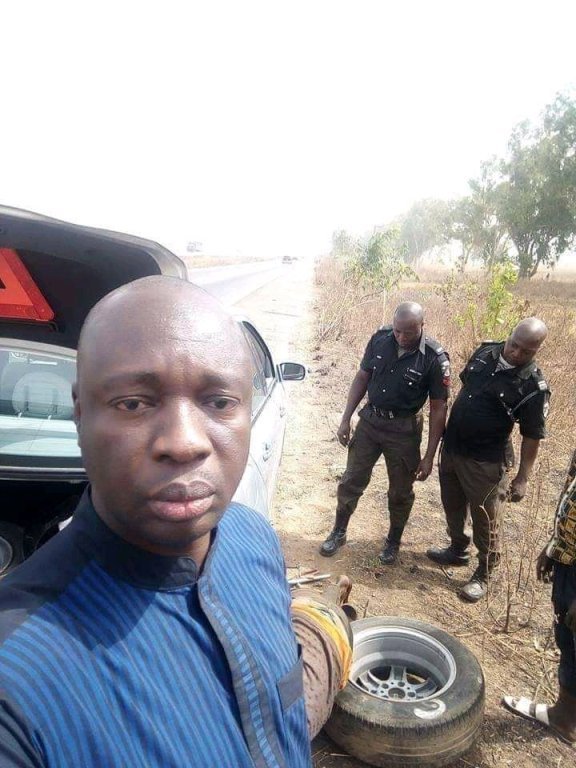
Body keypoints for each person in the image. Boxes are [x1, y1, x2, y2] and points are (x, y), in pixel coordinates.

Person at [0, 277, 352, 768]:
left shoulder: (253, 538)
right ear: (80, 414)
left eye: (218, 402)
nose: (185, 442)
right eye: (134, 404)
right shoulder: (17, 677)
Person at [427, 318, 550, 602]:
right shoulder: (485, 352)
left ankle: (484, 572)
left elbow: (532, 436)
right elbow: (466, 389)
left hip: (486, 462)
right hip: (454, 447)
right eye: (514, 344)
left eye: (525, 351)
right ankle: (458, 548)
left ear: (537, 350)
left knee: (486, 518)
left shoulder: (533, 386)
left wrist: (522, 477)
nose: (516, 353)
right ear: (508, 336)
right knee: (452, 505)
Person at [319, 302, 450, 564]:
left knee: (400, 491)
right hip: (370, 421)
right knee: (351, 479)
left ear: (421, 327)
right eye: (398, 331)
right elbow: (362, 377)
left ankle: (393, 541)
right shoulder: (380, 339)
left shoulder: (435, 358)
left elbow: (439, 408)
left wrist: (428, 456)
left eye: (408, 333)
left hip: (403, 431)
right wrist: (345, 418)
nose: (401, 337)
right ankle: (339, 530)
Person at [502, 449, 576, 746]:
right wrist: (553, 544)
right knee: (567, 638)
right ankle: (565, 715)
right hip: (568, 557)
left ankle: (566, 720)